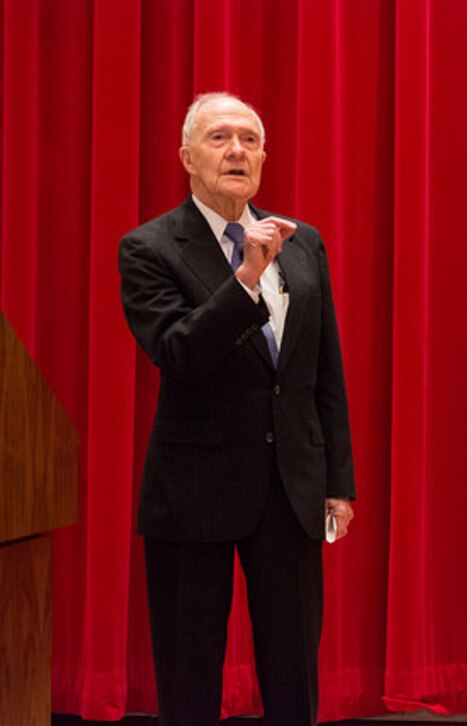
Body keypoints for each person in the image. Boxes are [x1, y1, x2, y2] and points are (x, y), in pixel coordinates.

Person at [118, 92, 355, 726]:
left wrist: (337, 483)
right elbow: (179, 352)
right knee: (189, 675)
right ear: (187, 158)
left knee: (292, 675)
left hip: (292, 490)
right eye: (220, 138)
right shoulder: (149, 248)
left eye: (250, 140)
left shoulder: (302, 244)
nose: (237, 151)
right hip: (194, 492)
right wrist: (247, 278)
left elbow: (322, 370)